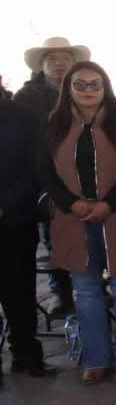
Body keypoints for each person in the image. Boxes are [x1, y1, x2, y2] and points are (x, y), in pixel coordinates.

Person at [42, 61, 116, 384]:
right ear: (68, 90)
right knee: (85, 291)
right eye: (81, 85)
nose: (89, 90)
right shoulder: (54, 125)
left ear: (105, 87)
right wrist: (72, 203)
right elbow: (45, 173)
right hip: (72, 219)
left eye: (95, 84)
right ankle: (96, 359)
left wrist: (108, 204)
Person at [0, 84, 49, 379]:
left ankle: (26, 355)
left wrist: (6, 204)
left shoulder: (26, 117)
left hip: (15, 221)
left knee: (19, 292)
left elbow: (36, 167)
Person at [18, 35, 89, 120]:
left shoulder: (89, 90)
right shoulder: (25, 96)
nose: (59, 63)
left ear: (74, 63)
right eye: (52, 58)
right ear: (42, 64)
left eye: (66, 58)